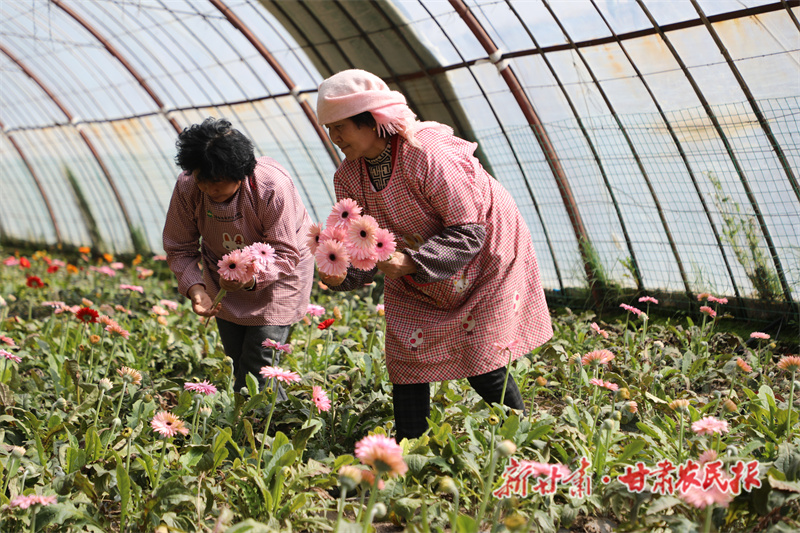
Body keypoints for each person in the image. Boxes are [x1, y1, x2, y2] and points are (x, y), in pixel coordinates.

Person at [315, 69, 553, 440]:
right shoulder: (348, 177)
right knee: (407, 359)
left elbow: (470, 230)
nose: (334, 138)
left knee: (482, 358)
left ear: (370, 120)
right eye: (329, 129)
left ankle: (520, 437)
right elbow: (362, 247)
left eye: (339, 127)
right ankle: (410, 449)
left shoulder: (426, 154)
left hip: (486, 254)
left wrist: (410, 262)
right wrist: (341, 274)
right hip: (415, 265)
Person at [163, 117, 314, 397]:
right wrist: (196, 289)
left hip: (280, 275)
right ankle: (248, 422)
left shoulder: (271, 186)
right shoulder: (187, 186)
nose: (209, 189)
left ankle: (265, 431)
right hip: (222, 272)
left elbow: (284, 252)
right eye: (202, 180)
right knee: (235, 357)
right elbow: (179, 246)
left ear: (241, 172)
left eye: (218, 182)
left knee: (261, 361)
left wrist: (249, 280)